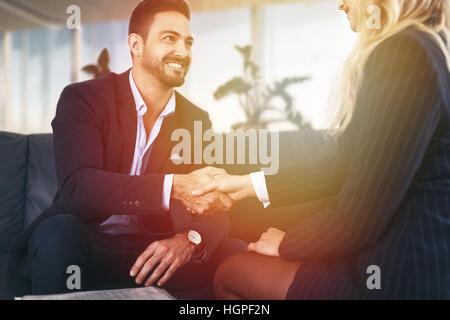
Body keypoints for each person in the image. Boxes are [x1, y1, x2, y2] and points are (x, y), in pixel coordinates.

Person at [192, 0, 450, 299]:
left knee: (231, 274)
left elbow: (361, 218)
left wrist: (288, 243)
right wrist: (248, 185)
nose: (341, 4)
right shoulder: (430, 45)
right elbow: (344, 166)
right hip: (396, 259)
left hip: (398, 275)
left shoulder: (403, 54)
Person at [7, 0, 245, 299]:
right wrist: (173, 186)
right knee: (58, 233)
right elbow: (79, 187)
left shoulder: (196, 119)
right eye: (169, 38)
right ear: (136, 44)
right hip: (86, 245)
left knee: (233, 253)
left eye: (188, 42)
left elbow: (214, 205)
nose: (183, 52)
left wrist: (188, 239)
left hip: (152, 254)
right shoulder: (84, 99)